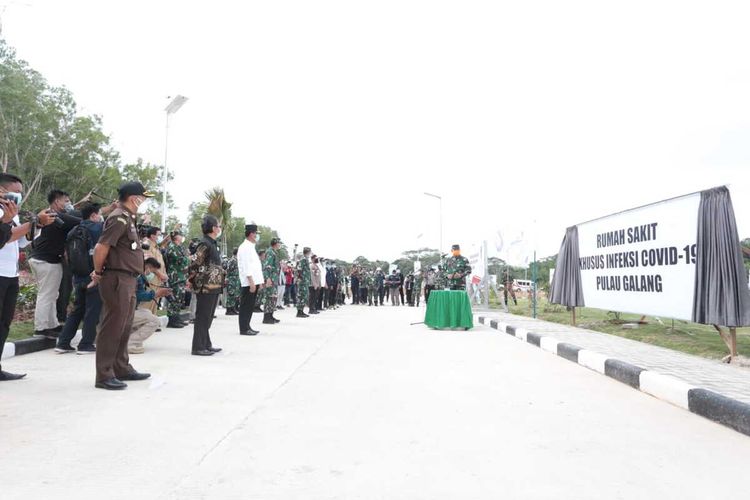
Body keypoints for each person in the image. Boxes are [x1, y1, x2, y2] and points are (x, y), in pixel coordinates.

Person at [90, 182, 154, 390]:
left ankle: (121, 367)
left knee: (124, 326)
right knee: (112, 327)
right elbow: (102, 247)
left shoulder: (128, 218)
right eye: (142, 197)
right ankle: (104, 374)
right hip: (117, 278)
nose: (143, 201)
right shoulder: (118, 217)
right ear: (134, 198)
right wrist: (98, 273)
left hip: (128, 279)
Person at [0, 174, 55, 380]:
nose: (18, 196)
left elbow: (20, 242)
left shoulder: (10, 212)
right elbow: (5, 237)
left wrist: (38, 226)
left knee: (4, 323)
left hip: (10, 273)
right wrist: (32, 223)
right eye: (15, 191)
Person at [29, 189, 82, 337]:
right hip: (46, 260)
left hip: (46, 259)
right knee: (46, 294)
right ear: (57, 201)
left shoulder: (51, 214)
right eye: (66, 201)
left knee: (52, 294)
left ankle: (52, 324)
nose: (68, 204)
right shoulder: (53, 215)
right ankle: (40, 328)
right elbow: (78, 222)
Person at [55, 203, 104, 354]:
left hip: (78, 275)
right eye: (100, 213)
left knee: (77, 309)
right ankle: (86, 344)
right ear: (94, 215)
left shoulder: (73, 230)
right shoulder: (97, 228)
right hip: (93, 275)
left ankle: (63, 343)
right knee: (92, 310)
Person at [188, 215, 225, 356]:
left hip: (214, 286)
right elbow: (195, 263)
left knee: (208, 317)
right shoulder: (204, 244)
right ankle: (197, 347)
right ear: (213, 228)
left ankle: (206, 343)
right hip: (205, 286)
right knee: (203, 317)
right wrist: (191, 280)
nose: (219, 228)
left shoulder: (212, 243)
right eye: (218, 226)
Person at [129, 257, 172, 354]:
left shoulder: (138, 274)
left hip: (128, 309)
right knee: (154, 320)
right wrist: (156, 294)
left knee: (147, 312)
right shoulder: (137, 276)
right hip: (124, 311)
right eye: (153, 270)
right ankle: (130, 342)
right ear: (147, 267)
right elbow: (137, 295)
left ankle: (130, 339)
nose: (152, 273)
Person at [237, 224, 263, 335]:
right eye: (256, 234)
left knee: (250, 306)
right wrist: (252, 282)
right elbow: (246, 266)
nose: (257, 236)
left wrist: (259, 282)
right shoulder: (244, 247)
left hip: (254, 282)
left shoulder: (251, 247)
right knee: (246, 306)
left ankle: (247, 326)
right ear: (252, 234)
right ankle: (244, 328)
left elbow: (256, 267)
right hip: (249, 282)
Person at [139, 226, 168, 315]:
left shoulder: (156, 246)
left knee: (155, 300)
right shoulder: (146, 244)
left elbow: (161, 263)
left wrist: (164, 275)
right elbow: (149, 263)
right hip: (151, 277)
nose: (160, 237)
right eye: (158, 235)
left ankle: (152, 319)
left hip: (159, 279)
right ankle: (144, 320)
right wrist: (160, 274)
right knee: (148, 300)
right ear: (152, 235)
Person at [165, 230, 190, 328]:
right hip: (175, 277)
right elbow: (181, 260)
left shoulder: (179, 247)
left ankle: (177, 317)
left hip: (181, 276)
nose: (182, 237)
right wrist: (189, 258)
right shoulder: (172, 247)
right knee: (174, 298)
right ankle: (172, 320)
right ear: (176, 237)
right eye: (180, 235)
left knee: (179, 298)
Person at [262, 237, 282, 324]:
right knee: (269, 297)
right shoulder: (270, 252)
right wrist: (268, 278)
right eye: (278, 243)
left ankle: (270, 315)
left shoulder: (274, 252)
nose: (279, 244)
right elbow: (267, 266)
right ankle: (266, 317)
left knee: (272, 297)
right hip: (270, 278)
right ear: (275, 243)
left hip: (274, 278)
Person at [295, 247, 311, 317]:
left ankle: (301, 311)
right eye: (310, 252)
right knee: (301, 295)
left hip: (305, 281)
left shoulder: (306, 259)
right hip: (302, 281)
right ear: (308, 252)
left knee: (304, 296)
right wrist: (300, 278)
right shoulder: (303, 259)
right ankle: (299, 312)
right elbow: (299, 269)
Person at [225, 248, 241, 315]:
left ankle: (233, 308)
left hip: (236, 279)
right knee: (231, 294)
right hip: (232, 279)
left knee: (234, 294)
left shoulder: (237, 260)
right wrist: (227, 278)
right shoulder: (232, 260)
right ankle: (229, 309)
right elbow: (228, 270)